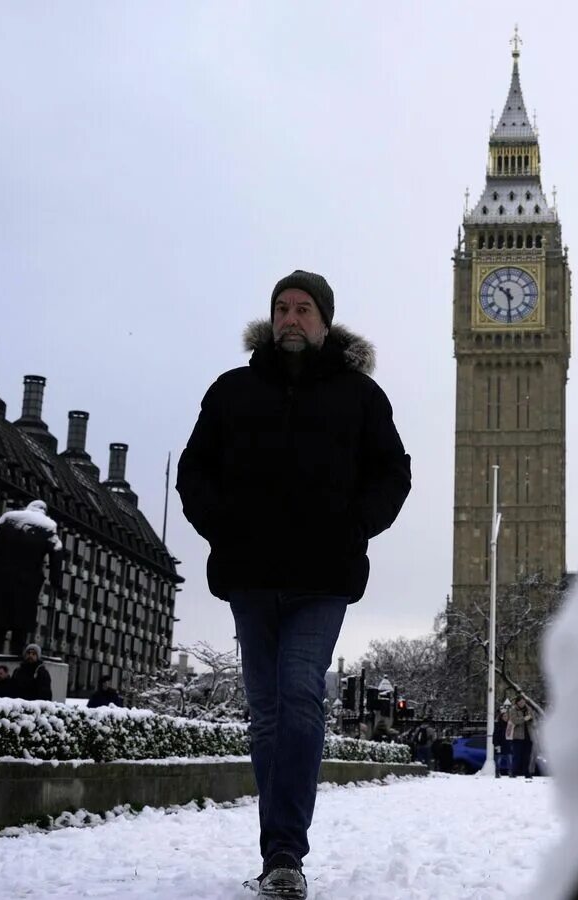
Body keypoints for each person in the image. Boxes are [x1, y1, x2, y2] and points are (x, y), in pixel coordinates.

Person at [177, 269, 411, 899]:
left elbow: (394, 472)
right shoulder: (231, 391)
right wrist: (219, 526)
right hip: (249, 576)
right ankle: (279, 847)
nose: (291, 318)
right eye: (282, 308)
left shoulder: (361, 397)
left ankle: (284, 851)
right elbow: (193, 470)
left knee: (300, 695)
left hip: (321, 577)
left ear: (326, 322)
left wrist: (356, 525)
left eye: (304, 309)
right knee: (267, 716)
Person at [0, 499, 63, 655]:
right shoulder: (47, 526)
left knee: (0, 623)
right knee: (21, 623)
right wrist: (55, 580)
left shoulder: (7, 519)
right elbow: (57, 552)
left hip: (1, 579)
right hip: (28, 583)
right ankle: (16, 655)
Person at [507, 696, 536, 778]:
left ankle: (527, 773)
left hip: (528, 736)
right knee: (517, 756)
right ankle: (513, 772)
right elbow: (514, 720)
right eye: (520, 702)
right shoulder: (513, 710)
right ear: (517, 703)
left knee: (527, 756)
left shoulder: (529, 709)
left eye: (523, 702)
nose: (522, 703)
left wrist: (531, 719)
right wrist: (524, 718)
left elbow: (533, 718)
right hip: (518, 737)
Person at [492, 706, 509, 777]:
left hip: (507, 745)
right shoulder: (498, 725)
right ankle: (497, 773)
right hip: (499, 745)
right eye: (504, 716)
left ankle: (511, 773)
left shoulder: (509, 724)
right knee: (498, 760)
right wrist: (496, 745)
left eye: (507, 716)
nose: (506, 718)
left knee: (510, 760)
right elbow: (495, 735)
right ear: (501, 717)